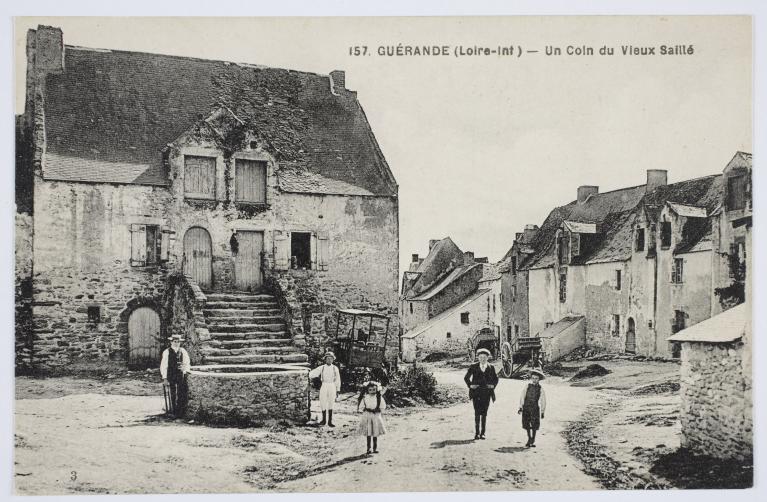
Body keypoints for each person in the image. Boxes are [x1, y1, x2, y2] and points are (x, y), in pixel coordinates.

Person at [463, 348, 499, 440]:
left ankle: (483, 433)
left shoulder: (491, 367)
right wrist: (470, 385)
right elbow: (466, 378)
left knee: (484, 413)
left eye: (484, 357)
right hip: (476, 394)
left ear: (487, 358)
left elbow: (496, 379)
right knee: (477, 413)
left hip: (486, 393)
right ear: (478, 358)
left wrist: (493, 386)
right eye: (480, 357)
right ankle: (477, 433)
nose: (482, 359)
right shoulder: (473, 366)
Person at [160, 334, 191, 417]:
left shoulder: (183, 351)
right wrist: (165, 378)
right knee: (172, 392)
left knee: (181, 392)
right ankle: (172, 411)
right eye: (175, 341)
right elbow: (164, 365)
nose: (176, 343)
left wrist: (185, 370)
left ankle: (180, 411)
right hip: (171, 375)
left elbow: (187, 363)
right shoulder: (167, 352)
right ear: (171, 342)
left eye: (178, 342)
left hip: (180, 375)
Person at [308, 351, 342, 427]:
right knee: (323, 401)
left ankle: (330, 421)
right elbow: (314, 373)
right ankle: (323, 420)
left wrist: (338, 389)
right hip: (324, 385)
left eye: (331, 359)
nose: (329, 360)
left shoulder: (335, 368)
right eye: (328, 359)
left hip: (332, 385)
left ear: (333, 360)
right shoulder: (322, 367)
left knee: (331, 402)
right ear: (325, 359)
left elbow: (338, 379)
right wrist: (308, 374)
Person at [518, 368, 547, 447]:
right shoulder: (527, 386)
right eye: (533, 378)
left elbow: (543, 400)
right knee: (527, 424)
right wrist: (521, 407)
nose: (534, 380)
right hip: (526, 407)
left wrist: (542, 411)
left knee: (534, 424)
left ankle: (533, 439)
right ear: (531, 378)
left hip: (534, 408)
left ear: (539, 379)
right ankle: (529, 438)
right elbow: (522, 396)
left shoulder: (540, 389)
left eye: (536, 379)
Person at [357, 381, 386, 454]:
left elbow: (382, 406)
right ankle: (368, 448)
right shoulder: (365, 397)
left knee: (375, 432)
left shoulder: (379, 398)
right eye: (370, 390)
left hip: (375, 416)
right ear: (367, 390)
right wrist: (363, 409)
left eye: (374, 390)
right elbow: (362, 406)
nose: (372, 392)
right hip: (367, 416)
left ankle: (375, 448)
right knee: (369, 432)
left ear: (377, 390)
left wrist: (380, 410)